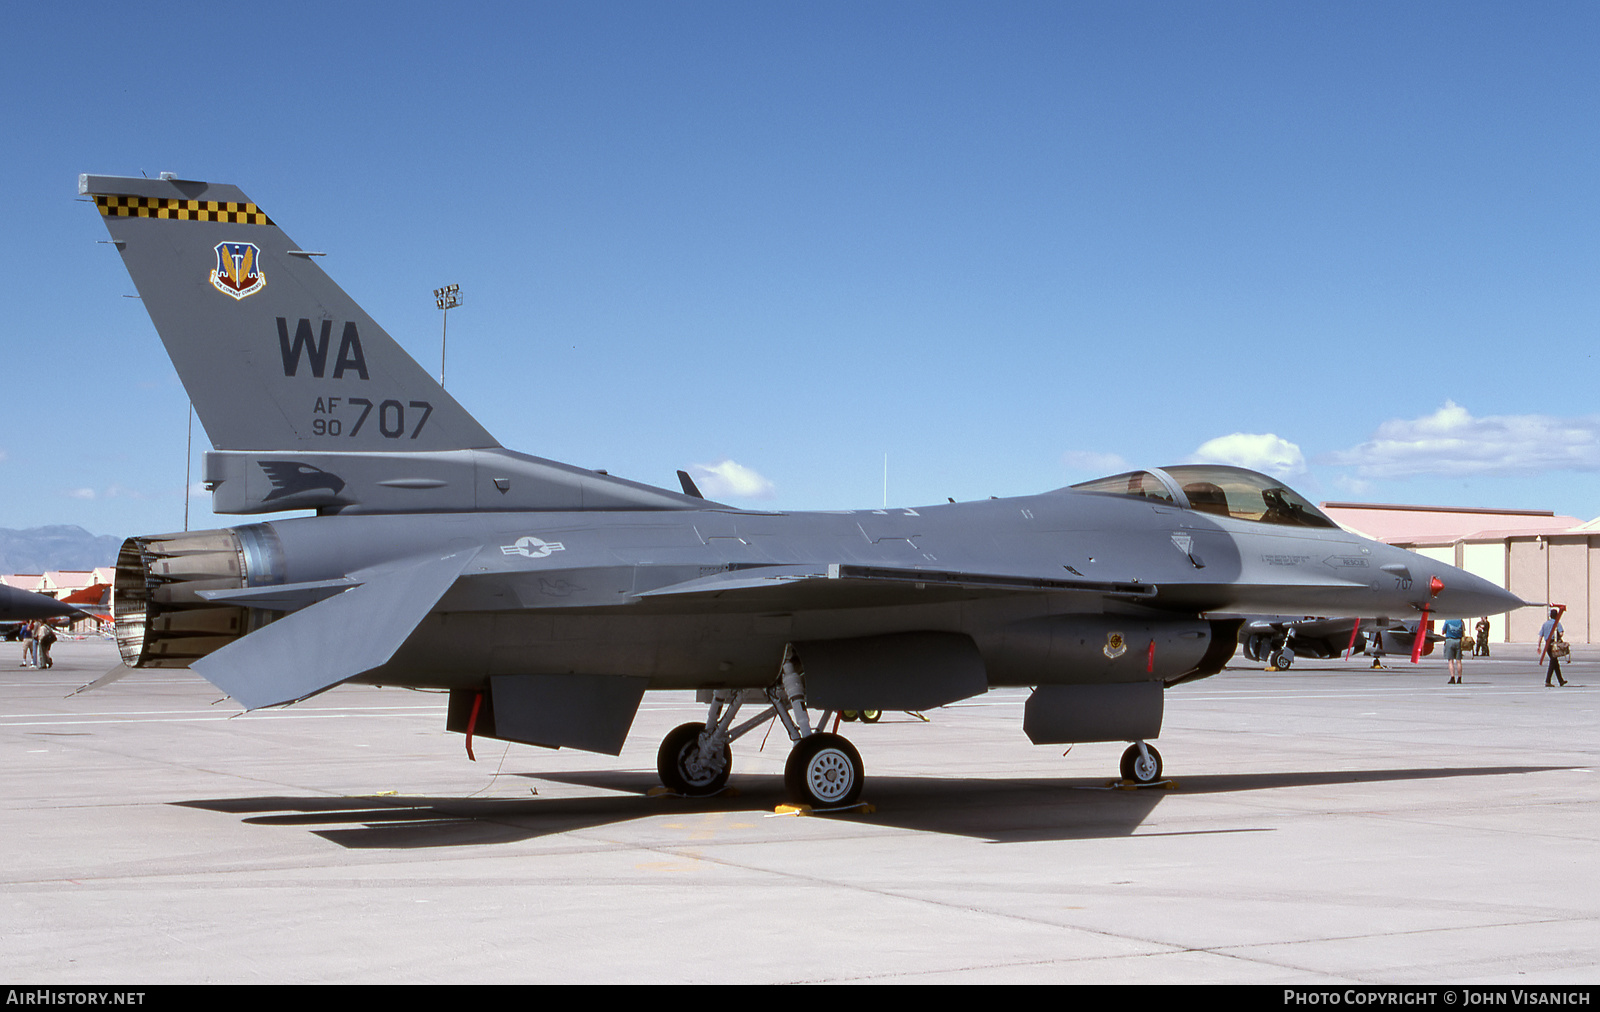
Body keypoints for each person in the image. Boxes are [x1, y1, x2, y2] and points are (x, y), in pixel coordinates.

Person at [1537, 607, 1568, 687]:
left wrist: (1539, 646)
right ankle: (1547, 681)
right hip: (1554, 645)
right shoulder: (1557, 623)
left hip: (1547, 645)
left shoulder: (1545, 624)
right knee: (1553, 662)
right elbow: (1561, 633)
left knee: (1555, 662)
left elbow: (1540, 635)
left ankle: (1560, 681)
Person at [1441, 616, 1465, 683]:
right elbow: (1463, 632)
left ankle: (1452, 677)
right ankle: (1459, 678)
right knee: (1458, 661)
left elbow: (1443, 631)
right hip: (1458, 641)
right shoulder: (1460, 621)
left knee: (1450, 660)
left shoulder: (1448, 620)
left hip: (1450, 640)